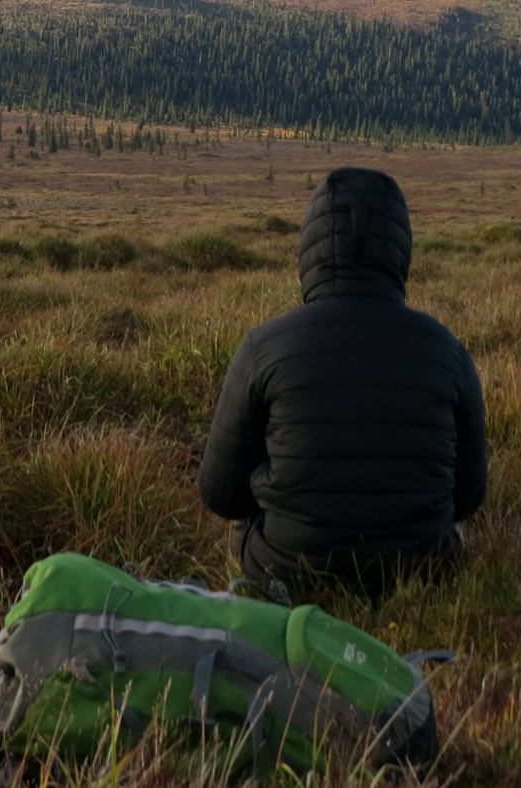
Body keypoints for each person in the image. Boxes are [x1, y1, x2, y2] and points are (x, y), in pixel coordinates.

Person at [198, 167, 486, 600]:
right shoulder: (448, 351)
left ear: (311, 248)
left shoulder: (264, 346)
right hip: (420, 573)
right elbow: (467, 498)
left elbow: (220, 496)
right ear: (400, 250)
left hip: (286, 574)